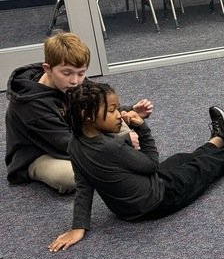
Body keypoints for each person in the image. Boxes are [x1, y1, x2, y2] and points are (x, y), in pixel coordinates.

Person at [48, 82, 224, 251]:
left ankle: (218, 139)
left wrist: (78, 227)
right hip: (159, 199)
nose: (120, 115)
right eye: (113, 111)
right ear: (88, 117)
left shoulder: (74, 144)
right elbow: (150, 165)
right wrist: (142, 129)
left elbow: (84, 185)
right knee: (205, 166)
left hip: (129, 207)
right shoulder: (112, 147)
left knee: (180, 159)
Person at [5, 32, 153, 193]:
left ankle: (112, 158)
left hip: (74, 134)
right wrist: (120, 142)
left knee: (119, 124)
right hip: (40, 153)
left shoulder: (73, 82)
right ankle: (115, 159)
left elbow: (100, 108)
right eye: (67, 73)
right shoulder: (30, 104)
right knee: (71, 176)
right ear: (48, 69)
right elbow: (65, 144)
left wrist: (128, 111)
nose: (75, 81)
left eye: (81, 73)